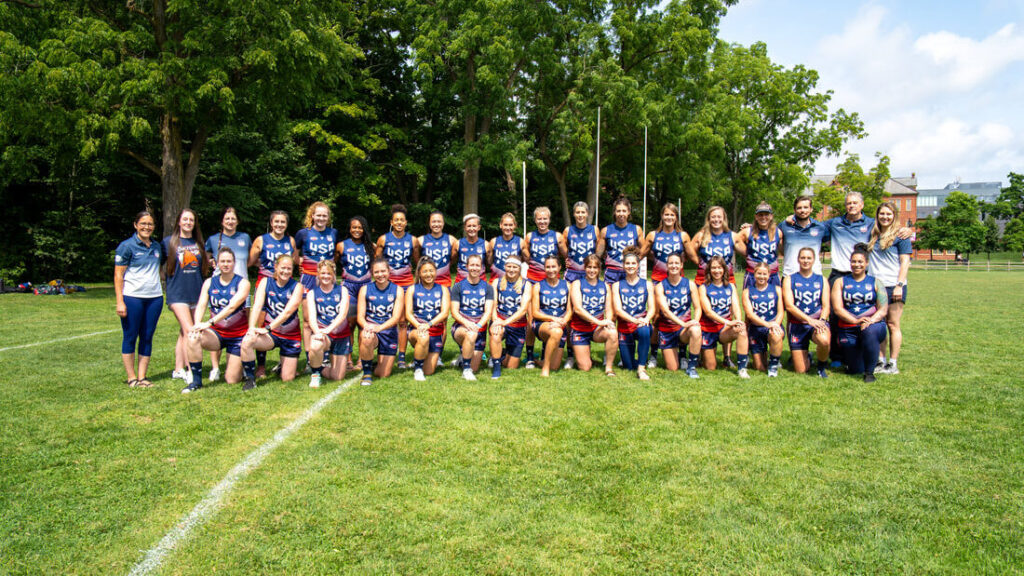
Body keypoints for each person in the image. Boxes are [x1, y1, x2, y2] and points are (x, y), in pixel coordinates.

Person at [184, 248, 251, 393]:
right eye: (223, 261)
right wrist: (197, 324)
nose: (226, 264)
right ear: (217, 263)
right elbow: (201, 304)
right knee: (193, 336)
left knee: (232, 380)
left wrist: (209, 323)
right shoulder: (209, 282)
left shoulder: (243, 283)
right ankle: (196, 381)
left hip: (237, 335)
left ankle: (243, 367)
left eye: (229, 261)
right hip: (217, 334)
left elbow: (232, 307)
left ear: (234, 263)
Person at [114, 211, 164, 388]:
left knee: (147, 337)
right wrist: (120, 301)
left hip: (154, 298)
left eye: (150, 224)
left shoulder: (157, 247)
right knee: (130, 336)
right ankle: (132, 378)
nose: (146, 227)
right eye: (143, 223)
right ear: (135, 225)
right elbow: (118, 275)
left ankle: (142, 377)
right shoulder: (126, 246)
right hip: (133, 298)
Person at [691, 205, 745, 368]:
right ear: (709, 219)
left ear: (724, 218)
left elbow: (748, 251)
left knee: (727, 311)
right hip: (703, 279)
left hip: (726, 278)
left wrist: (750, 230)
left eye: (719, 217)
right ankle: (700, 350)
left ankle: (727, 356)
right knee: (704, 313)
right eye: (713, 217)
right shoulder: (702, 235)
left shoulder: (732, 235)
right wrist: (700, 264)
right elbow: (689, 251)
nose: (716, 220)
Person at [204, 206, 252, 382]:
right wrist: (211, 262)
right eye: (227, 218)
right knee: (217, 325)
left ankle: (243, 363)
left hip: (241, 287)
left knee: (244, 325)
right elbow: (207, 258)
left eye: (233, 218)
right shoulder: (213, 239)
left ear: (237, 221)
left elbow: (250, 260)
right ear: (222, 221)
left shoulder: (245, 238)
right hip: (220, 289)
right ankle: (215, 367)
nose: (230, 221)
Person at [241, 254, 304, 388]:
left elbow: (287, 312)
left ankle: (283, 365)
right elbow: (257, 305)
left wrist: (268, 328)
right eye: (283, 268)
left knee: (287, 378)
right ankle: (250, 379)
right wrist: (251, 328)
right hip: (272, 335)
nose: (285, 271)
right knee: (247, 341)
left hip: (290, 336)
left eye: (289, 268)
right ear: (276, 267)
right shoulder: (265, 282)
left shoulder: (297, 286)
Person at [644, 202, 694, 368]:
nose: (669, 217)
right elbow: (642, 253)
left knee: (681, 314)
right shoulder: (653, 235)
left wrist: (707, 269)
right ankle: (653, 354)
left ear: (676, 217)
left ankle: (682, 354)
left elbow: (692, 255)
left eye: (672, 215)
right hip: (658, 280)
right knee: (657, 318)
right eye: (666, 214)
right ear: (662, 216)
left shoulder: (683, 235)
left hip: (677, 281)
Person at [248, 210, 297, 377]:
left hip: (285, 285)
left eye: (283, 222)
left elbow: (294, 260)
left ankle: (284, 359)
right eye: (277, 221)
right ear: (271, 223)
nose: (279, 225)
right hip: (266, 283)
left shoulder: (290, 241)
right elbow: (251, 261)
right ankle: (261, 365)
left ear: (287, 224)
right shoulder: (261, 240)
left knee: (285, 319)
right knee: (262, 323)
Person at [162, 209, 208, 384]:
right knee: (191, 332)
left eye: (191, 220)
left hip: (196, 293)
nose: (188, 222)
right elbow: (156, 263)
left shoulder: (199, 243)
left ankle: (178, 369)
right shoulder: (168, 242)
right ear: (179, 222)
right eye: (185, 219)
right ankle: (191, 371)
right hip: (177, 294)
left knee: (184, 332)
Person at [831, 245, 888, 383]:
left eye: (860, 261)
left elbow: (883, 309)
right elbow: (837, 309)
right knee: (855, 369)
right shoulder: (840, 282)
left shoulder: (876, 282)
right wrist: (856, 321)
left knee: (869, 332)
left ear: (866, 263)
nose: (857, 264)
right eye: (854, 261)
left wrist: (870, 321)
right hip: (849, 327)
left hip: (873, 325)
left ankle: (869, 373)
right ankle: (862, 358)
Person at [868, 201, 912, 375]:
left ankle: (893, 363)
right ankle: (881, 360)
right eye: (882, 214)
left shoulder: (901, 236)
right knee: (879, 325)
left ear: (894, 216)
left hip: (893, 286)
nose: (885, 217)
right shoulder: (873, 234)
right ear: (877, 215)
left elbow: (905, 262)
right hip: (875, 286)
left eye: (888, 214)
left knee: (893, 324)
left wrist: (899, 285)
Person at [295, 201, 338, 368]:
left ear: (328, 217)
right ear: (312, 216)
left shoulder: (333, 233)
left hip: (327, 278)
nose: (321, 218)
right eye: (318, 215)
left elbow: (335, 254)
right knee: (307, 321)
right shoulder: (303, 233)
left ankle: (325, 354)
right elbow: (295, 254)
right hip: (309, 278)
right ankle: (309, 358)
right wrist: (301, 263)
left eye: (324, 215)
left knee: (327, 316)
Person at [523, 206, 566, 367]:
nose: (542, 221)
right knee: (532, 318)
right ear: (535, 220)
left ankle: (544, 352)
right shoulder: (529, 237)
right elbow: (527, 256)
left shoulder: (557, 236)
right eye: (539, 219)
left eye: (545, 218)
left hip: (553, 282)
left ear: (549, 219)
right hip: (534, 281)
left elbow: (565, 255)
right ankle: (529, 356)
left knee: (551, 315)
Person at [376, 204, 417, 368]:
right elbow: (377, 261)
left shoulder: (412, 240)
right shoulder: (383, 239)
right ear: (391, 222)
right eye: (396, 220)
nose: (399, 222)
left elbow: (417, 262)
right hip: (388, 285)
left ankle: (401, 357)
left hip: (406, 283)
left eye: (402, 220)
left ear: (406, 222)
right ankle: (384, 351)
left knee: (402, 321)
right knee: (385, 318)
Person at [698, 256, 750, 378]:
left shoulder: (730, 286)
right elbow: (708, 312)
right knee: (710, 367)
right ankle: (701, 355)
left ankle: (742, 368)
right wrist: (728, 322)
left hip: (724, 329)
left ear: (724, 269)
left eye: (719, 268)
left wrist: (738, 321)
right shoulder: (703, 287)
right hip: (708, 329)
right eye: (714, 268)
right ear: (709, 270)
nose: (717, 271)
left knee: (742, 330)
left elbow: (736, 306)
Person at [782, 247, 830, 377]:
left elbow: (826, 305)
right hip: (797, 325)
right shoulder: (789, 279)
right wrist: (809, 320)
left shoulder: (822, 280)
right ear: (798, 259)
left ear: (814, 260)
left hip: (817, 323)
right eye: (803, 258)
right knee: (801, 370)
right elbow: (789, 306)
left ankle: (821, 367)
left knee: (824, 340)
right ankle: (807, 355)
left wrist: (822, 320)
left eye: (809, 258)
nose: (806, 261)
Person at [357, 257, 404, 386]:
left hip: (388, 332)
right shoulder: (365, 289)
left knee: (383, 374)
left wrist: (380, 327)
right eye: (376, 272)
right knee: (366, 337)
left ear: (389, 271)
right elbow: (360, 316)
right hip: (372, 330)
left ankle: (372, 364)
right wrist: (367, 326)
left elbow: (396, 318)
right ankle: (367, 373)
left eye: (383, 271)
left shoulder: (398, 290)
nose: (380, 274)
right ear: (372, 273)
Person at [569, 254, 618, 376]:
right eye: (589, 267)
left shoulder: (605, 286)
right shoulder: (577, 284)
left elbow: (609, 309)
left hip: (597, 329)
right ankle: (584, 356)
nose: (592, 270)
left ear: (599, 269)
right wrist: (599, 322)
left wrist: (608, 321)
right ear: (584, 268)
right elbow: (578, 309)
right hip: (580, 329)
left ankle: (609, 367)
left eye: (595, 267)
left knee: (613, 333)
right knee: (585, 367)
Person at [654, 252, 701, 378]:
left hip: (683, 330)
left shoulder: (690, 284)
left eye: (676, 263)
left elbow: (697, 307)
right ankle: (681, 354)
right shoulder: (660, 286)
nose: (674, 266)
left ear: (681, 265)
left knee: (696, 330)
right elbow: (665, 311)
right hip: (668, 330)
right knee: (672, 368)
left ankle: (691, 367)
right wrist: (684, 324)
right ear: (667, 265)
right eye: (671, 263)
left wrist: (695, 321)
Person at [306, 260, 352, 388]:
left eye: (329, 273)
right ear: (318, 274)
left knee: (337, 377)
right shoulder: (312, 293)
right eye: (323, 273)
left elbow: (343, 314)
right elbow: (312, 318)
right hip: (323, 334)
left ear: (333, 275)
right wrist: (318, 332)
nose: (326, 276)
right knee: (315, 343)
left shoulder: (342, 290)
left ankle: (320, 367)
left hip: (340, 335)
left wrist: (328, 329)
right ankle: (315, 374)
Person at [612, 247, 654, 380]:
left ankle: (641, 369)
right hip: (625, 326)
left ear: (638, 265)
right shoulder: (617, 285)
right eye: (627, 263)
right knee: (628, 366)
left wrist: (646, 319)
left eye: (633, 263)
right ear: (623, 265)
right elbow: (618, 310)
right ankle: (637, 361)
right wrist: (634, 320)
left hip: (641, 324)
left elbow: (652, 308)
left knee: (644, 330)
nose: (630, 266)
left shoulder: (647, 284)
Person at [450, 253, 495, 380]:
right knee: (470, 335)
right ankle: (466, 370)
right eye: (472, 265)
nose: (475, 268)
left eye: (477, 265)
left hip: (479, 328)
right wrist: (467, 323)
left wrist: (478, 325)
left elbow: (488, 311)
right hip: (461, 327)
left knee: (475, 367)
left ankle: (462, 359)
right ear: (467, 266)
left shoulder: (488, 288)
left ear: (482, 268)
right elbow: (454, 312)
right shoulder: (458, 286)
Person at [337, 216, 373, 367]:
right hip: (349, 288)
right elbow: (332, 263)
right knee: (349, 325)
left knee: (363, 324)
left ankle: (362, 359)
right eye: (354, 227)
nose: (357, 230)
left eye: (360, 227)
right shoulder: (341, 246)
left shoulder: (371, 246)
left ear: (364, 229)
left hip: (365, 287)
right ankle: (349, 358)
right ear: (350, 229)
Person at [406, 257, 450, 382]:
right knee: (423, 336)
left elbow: (445, 313)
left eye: (431, 271)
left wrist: (429, 324)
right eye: (425, 271)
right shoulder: (412, 289)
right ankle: (418, 369)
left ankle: (419, 360)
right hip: (417, 330)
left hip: (435, 332)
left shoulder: (443, 289)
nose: (428, 274)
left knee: (429, 371)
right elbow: (408, 314)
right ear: (419, 273)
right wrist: (419, 326)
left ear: (436, 271)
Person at [489, 254, 531, 379]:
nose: (511, 270)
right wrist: (496, 320)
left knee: (511, 366)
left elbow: (523, 310)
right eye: (509, 266)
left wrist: (505, 322)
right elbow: (493, 305)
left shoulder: (526, 284)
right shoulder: (496, 282)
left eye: (515, 267)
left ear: (519, 268)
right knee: (496, 332)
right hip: (500, 320)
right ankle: (496, 367)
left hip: (517, 325)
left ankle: (501, 353)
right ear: (505, 267)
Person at [531, 255, 572, 377]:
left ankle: (542, 361)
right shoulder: (538, 286)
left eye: (553, 266)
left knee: (555, 366)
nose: (551, 270)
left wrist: (563, 321)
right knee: (556, 332)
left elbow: (570, 310)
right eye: (547, 267)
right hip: (542, 324)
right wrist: (554, 319)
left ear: (559, 267)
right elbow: (535, 313)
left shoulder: (567, 285)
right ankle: (545, 368)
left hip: (560, 324)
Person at [742, 262, 785, 376]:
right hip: (756, 329)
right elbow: (750, 315)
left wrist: (775, 325)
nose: (762, 276)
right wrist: (767, 324)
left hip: (773, 326)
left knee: (775, 335)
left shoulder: (777, 289)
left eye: (764, 274)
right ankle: (765, 354)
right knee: (759, 367)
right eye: (759, 273)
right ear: (754, 274)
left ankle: (774, 365)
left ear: (769, 275)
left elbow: (781, 311)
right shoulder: (747, 292)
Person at [779, 196, 828, 278]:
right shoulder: (784, 225)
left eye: (805, 207)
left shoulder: (820, 227)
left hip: (815, 276)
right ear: (794, 210)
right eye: (799, 208)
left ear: (811, 209)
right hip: (789, 276)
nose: (802, 210)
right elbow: (773, 237)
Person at [738, 202, 782, 290]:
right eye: (760, 215)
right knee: (750, 298)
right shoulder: (747, 231)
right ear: (756, 216)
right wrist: (745, 253)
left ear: (771, 216)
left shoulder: (778, 232)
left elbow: (783, 251)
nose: (763, 217)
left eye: (766, 214)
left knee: (776, 298)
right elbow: (733, 241)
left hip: (772, 275)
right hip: (752, 275)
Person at [602, 196, 645, 285]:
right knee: (610, 294)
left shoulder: (637, 229)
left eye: (624, 211)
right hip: (612, 272)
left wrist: (634, 262)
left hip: (630, 272)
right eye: (618, 211)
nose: (621, 214)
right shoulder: (606, 230)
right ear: (614, 212)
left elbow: (644, 250)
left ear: (628, 212)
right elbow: (599, 253)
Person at [563, 201, 603, 283]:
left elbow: (598, 250)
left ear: (587, 213)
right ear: (574, 214)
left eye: (583, 212)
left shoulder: (594, 230)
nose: (580, 215)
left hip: (589, 272)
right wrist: (566, 259)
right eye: (578, 212)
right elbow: (562, 249)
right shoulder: (568, 230)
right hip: (572, 272)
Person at [419, 211, 455, 287]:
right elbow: (417, 259)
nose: (436, 224)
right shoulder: (421, 240)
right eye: (433, 222)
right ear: (429, 223)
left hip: (445, 283)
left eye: (439, 221)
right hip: (426, 283)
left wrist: (447, 266)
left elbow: (454, 257)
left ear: (443, 223)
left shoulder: (451, 240)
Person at [488, 212, 526, 280]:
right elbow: (489, 262)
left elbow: (525, 260)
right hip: (496, 279)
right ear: (500, 225)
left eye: (510, 225)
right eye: (505, 225)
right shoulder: (493, 241)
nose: (508, 228)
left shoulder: (521, 242)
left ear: (515, 226)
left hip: (514, 280)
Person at [453, 213, 487, 283]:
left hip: (480, 282)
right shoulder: (458, 244)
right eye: (469, 226)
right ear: (465, 228)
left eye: (474, 226)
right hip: (461, 281)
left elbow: (489, 262)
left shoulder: (486, 245)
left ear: (479, 227)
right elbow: (452, 260)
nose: (471, 229)